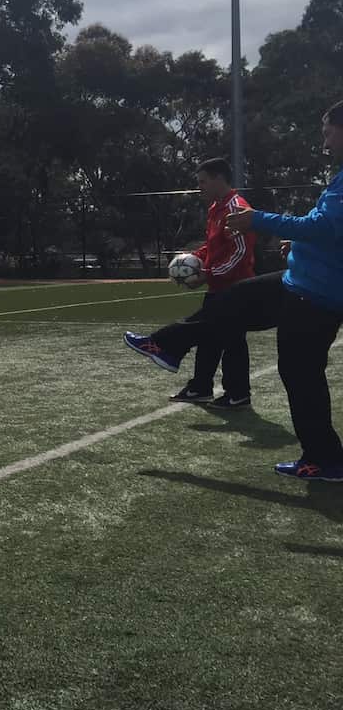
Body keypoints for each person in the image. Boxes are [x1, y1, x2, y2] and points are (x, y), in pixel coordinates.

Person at [124, 99, 343, 481]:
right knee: (231, 307)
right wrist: (301, 245)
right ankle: (168, 347)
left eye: (328, 133)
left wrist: (259, 221)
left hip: (317, 294)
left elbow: (323, 226)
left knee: (299, 372)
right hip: (301, 280)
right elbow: (327, 230)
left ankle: (325, 459)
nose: (324, 142)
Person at [168, 159, 256, 408]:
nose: (199, 187)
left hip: (236, 288)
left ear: (219, 178)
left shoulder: (236, 209)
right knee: (209, 337)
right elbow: (214, 247)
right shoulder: (216, 208)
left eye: (202, 181)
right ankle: (201, 387)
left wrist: (206, 274)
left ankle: (238, 394)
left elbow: (241, 253)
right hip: (218, 288)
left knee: (232, 341)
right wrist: (193, 258)